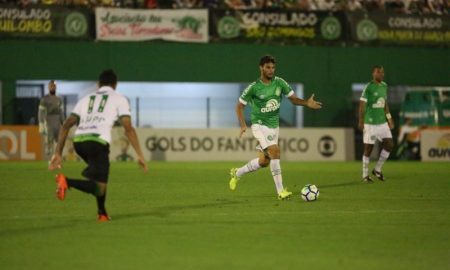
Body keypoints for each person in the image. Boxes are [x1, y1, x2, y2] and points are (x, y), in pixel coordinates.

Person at [48, 69, 148, 222]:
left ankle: (102, 213)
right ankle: (66, 181)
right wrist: (140, 154)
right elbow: (128, 128)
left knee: (101, 178)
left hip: (79, 143)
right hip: (97, 143)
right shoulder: (119, 98)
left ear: (98, 84)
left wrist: (58, 153)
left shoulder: (85, 99)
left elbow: (67, 124)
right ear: (115, 84)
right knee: (99, 186)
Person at [229, 55, 322, 200]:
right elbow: (239, 106)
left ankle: (237, 173)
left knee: (264, 161)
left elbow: (294, 100)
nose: (271, 70)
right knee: (275, 151)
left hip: (274, 127)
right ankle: (280, 192)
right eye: (268, 67)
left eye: (273, 67)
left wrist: (306, 103)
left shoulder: (280, 83)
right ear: (261, 68)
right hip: (259, 125)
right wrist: (242, 124)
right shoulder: (254, 87)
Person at [358, 65, 394, 183]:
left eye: (382, 72)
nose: (382, 74)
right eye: (379, 72)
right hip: (370, 124)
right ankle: (365, 175)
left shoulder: (385, 86)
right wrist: (361, 120)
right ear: (373, 74)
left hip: (382, 123)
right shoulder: (369, 87)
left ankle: (377, 169)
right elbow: (362, 104)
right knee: (368, 149)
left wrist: (389, 118)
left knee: (389, 144)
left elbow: (384, 103)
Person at [38, 80, 65, 159]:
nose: (53, 87)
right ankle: (49, 158)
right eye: (51, 86)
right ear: (48, 87)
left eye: (54, 86)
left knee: (59, 141)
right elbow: (41, 112)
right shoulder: (44, 99)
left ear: (56, 87)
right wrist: (41, 123)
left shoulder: (59, 99)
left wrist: (64, 123)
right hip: (48, 120)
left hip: (57, 121)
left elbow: (61, 112)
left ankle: (56, 158)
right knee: (49, 141)